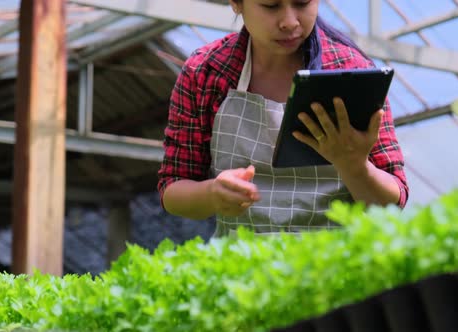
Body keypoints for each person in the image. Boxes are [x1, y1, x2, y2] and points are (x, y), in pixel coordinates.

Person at [157, 0, 408, 237]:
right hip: (243, 270)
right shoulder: (206, 72)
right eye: (271, 5)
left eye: (302, 3)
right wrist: (211, 194)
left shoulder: (353, 71)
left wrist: (355, 166)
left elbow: (392, 203)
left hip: (338, 267)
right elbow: (174, 188)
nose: (289, 21)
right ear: (236, 3)